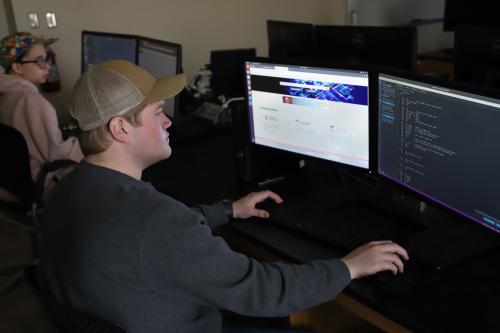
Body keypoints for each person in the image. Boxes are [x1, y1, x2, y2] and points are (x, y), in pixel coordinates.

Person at [40, 60, 408, 333]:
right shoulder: (156, 221)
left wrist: (227, 210)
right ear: (120, 129)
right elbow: (262, 291)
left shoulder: (68, 187)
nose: (168, 121)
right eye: (156, 114)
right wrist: (349, 266)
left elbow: (145, 236)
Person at [0, 32, 83, 194]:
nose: (48, 66)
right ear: (17, 67)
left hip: (11, 178)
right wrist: (89, 147)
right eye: (40, 61)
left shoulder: (6, 92)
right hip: (39, 179)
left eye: (47, 59)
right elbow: (55, 152)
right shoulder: (33, 102)